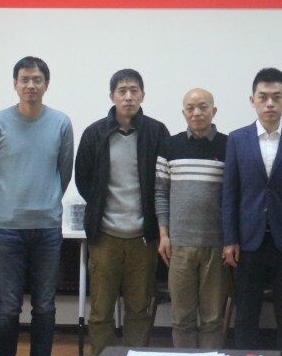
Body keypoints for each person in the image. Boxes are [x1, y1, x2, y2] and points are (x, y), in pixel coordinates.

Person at [0, 56, 74, 356]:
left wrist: (46, 203)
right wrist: (7, 206)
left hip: (47, 228)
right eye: (25, 79)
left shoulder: (61, 123)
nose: (31, 85)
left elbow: (64, 172)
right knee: (8, 306)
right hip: (8, 229)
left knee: (45, 305)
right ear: (15, 84)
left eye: (37, 79)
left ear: (47, 84)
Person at [75, 69, 169, 351]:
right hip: (105, 236)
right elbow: (83, 180)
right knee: (101, 311)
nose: (128, 97)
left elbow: (165, 180)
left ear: (142, 95)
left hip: (144, 237)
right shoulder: (94, 133)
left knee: (139, 309)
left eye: (134, 91)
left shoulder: (156, 132)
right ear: (112, 96)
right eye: (122, 91)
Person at [222, 67, 282, 351]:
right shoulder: (237, 139)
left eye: (276, 97)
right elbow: (230, 193)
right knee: (246, 312)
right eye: (263, 97)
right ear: (252, 100)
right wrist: (230, 239)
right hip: (248, 241)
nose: (270, 103)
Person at [155, 88, 229, 348]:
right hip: (179, 246)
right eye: (190, 107)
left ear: (214, 110)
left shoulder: (229, 145)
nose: (196, 112)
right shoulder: (169, 145)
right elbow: (160, 193)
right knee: (182, 319)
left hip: (216, 246)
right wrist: (164, 235)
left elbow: (234, 196)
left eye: (203, 106)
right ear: (184, 112)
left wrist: (230, 240)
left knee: (212, 319)